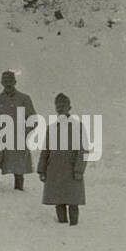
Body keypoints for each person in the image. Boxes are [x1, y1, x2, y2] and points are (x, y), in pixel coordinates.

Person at [37, 92, 87, 225]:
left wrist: (79, 170)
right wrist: (41, 170)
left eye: (63, 105)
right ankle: (62, 227)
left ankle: (74, 227)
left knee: (72, 200)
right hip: (54, 169)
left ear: (69, 107)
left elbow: (83, 150)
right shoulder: (51, 128)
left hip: (71, 170)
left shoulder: (78, 126)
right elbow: (45, 150)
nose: (60, 108)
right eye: (58, 105)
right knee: (58, 200)